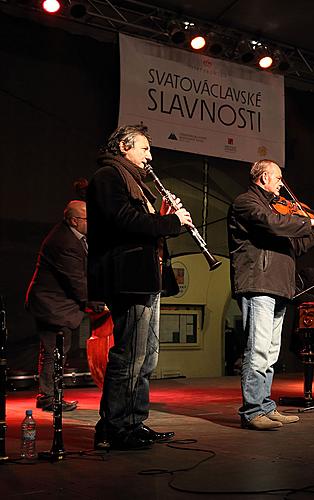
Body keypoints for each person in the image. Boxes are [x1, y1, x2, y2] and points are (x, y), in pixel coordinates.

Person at [88, 124, 193, 450]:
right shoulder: (108, 177)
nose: (150, 156)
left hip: (146, 277)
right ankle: (115, 427)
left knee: (146, 356)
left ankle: (134, 421)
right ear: (123, 146)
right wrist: (173, 223)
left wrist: (163, 216)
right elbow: (124, 222)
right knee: (129, 356)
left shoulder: (134, 183)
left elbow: (144, 226)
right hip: (128, 278)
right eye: (145, 148)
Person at [229, 159, 314, 431]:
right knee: (258, 350)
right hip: (258, 283)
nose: (281, 184)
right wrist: (307, 220)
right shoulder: (246, 203)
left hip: (278, 286)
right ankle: (252, 411)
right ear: (263, 178)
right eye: (277, 178)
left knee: (271, 353)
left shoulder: (275, 210)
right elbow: (273, 224)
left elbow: (296, 246)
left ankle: (265, 406)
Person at [25, 200, 92, 412]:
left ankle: (49, 396)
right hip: (51, 306)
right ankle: (48, 398)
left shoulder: (73, 236)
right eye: (87, 219)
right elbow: (77, 282)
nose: (92, 223)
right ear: (74, 220)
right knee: (54, 352)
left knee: (54, 352)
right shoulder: (65, 242)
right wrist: (99, 304)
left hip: (55, 304)